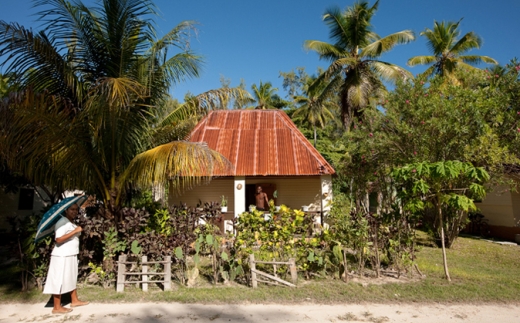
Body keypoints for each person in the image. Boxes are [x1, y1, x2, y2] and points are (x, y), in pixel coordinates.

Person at [43, 203, 89, 314]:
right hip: (62, 256)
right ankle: (57, 307)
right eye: (72, 209)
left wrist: (75, 230)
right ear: (66, 210)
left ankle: (74, 300)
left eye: (76, 209)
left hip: (71, 254)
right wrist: (75, 231)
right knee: (59, 279)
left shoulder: (70, 222)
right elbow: (58, 239)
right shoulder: (62, 222)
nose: (74, 211)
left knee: (71, 277)